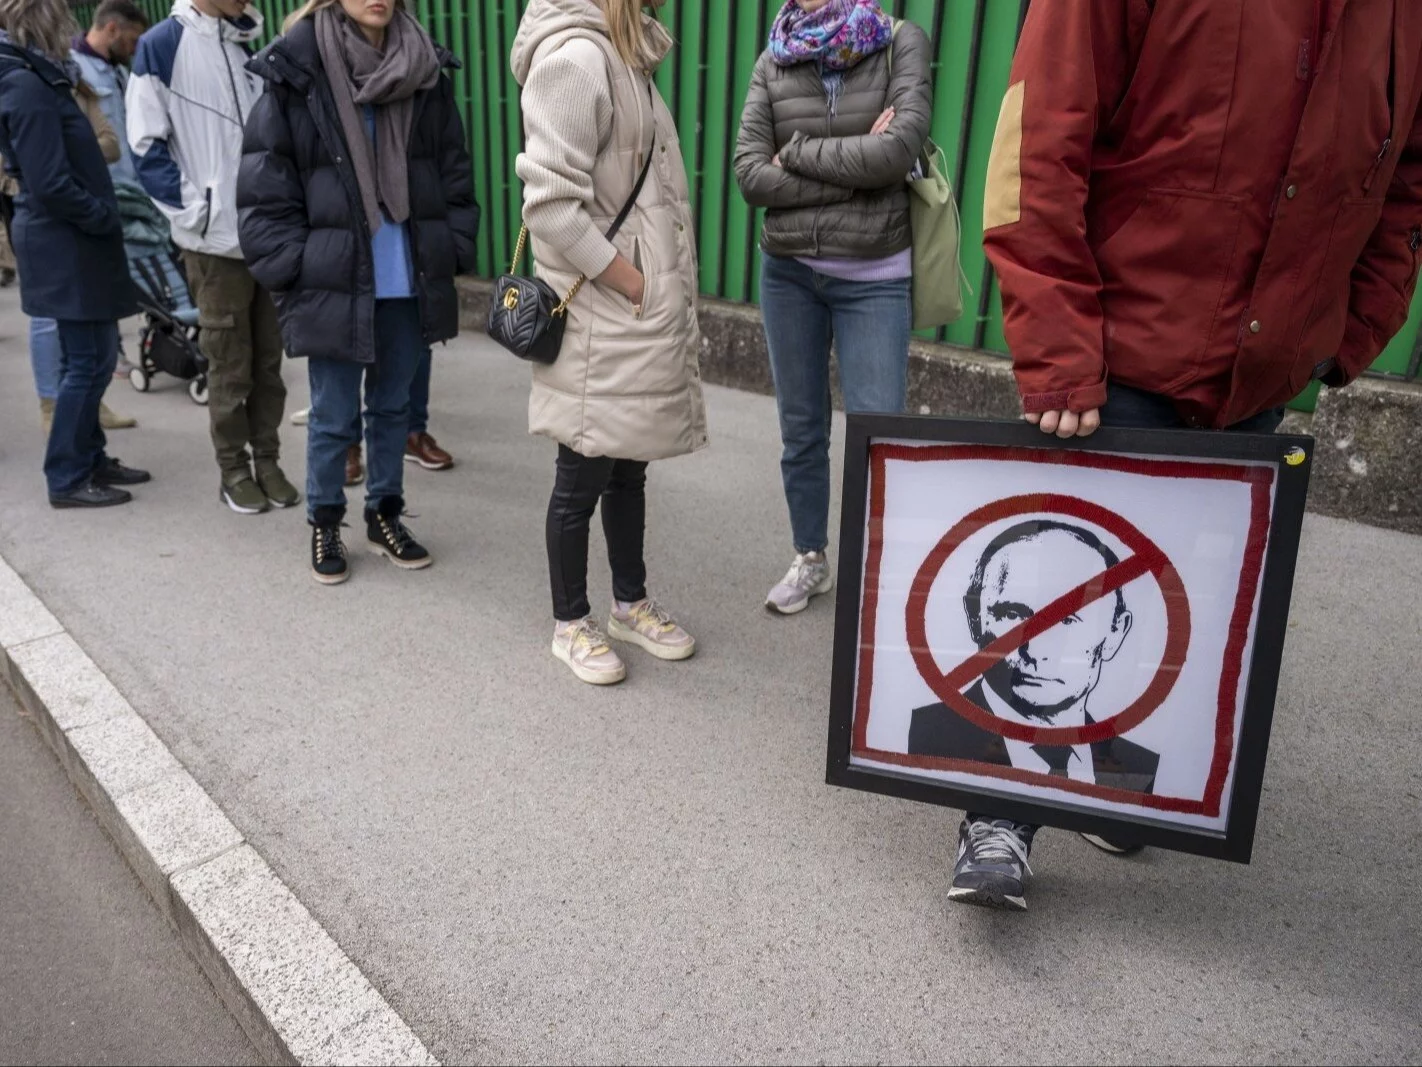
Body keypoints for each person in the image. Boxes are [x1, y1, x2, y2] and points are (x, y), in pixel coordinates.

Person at [954, 0, 1422, 913]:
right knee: (1055, 595)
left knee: (1177, 607)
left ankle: (1111, 772)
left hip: (1263, 370)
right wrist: (1057, 349)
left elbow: (1405, 179)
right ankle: (998, 808)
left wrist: (1352, 327)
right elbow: (1035, 142)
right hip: (1120, 354)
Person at [237, 0, 479, 584]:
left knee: (394, 407)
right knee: (333, 414)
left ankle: (384, 513)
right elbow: (267, 182)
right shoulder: (299, 70)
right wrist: (295, 266)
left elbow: (453, 171)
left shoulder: (423, 69)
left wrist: (454, 246)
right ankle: (325, 519)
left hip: (407, 272)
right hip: (335, 273)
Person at [511, 0, 707, 685]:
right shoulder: (575, 60)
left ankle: (630, 602)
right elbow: (551, 207)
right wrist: (632, 280)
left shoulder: (628, 56)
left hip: (630, 315)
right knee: (582, 473)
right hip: (602, 314)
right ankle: (571, 623)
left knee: (629, 464)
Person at [733, 0, 931, 616]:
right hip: (788, 271)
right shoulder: (774, 58)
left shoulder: (902, 43)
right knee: (801, 430)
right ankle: (810, 557)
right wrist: (855, 167)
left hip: (874, 273)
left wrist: (793, 154)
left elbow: (897, 153)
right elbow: (748, 175)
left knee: (879, 434)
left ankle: (879, 570)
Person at [127, 0, 296, 515]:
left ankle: (267, 460)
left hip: (266, 235)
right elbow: (145, 147)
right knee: (229, 364)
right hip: (212, 243)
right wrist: (197, 212)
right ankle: (233, 470)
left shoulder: (247, 40)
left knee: (269, 362)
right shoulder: (163, 44)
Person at [0, 0, 150, 508]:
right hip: (66, 242)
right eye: (60, 16)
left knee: (96, 356)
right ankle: (67, 475)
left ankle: (90, 456)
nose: (69, 26)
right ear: (43, 22)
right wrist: (101, 215)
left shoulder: (42, 77)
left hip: (74, 240)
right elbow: (49, 182)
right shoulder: (26, 83)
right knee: (86, 362)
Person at [908, 521, 1158, 797]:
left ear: (1115, 632)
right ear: (975, 618)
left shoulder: (1142, 768)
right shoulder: (920, 737)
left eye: (1068, 619)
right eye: (1013, 615)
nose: (1036, 651)